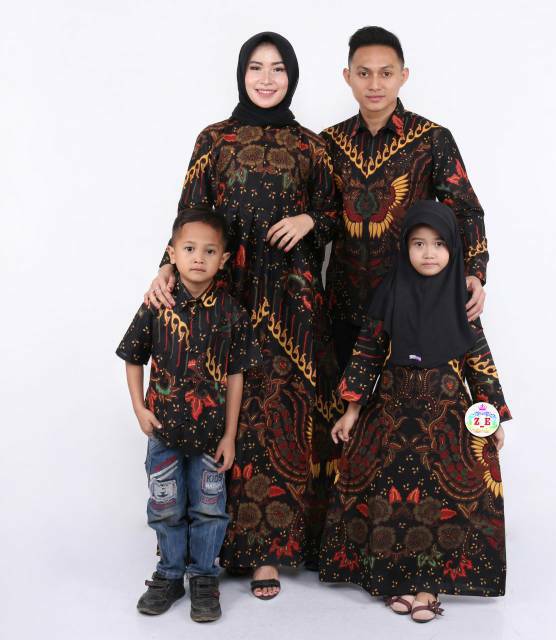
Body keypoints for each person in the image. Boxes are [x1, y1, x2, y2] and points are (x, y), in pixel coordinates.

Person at [143, 32, 338, 599]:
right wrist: (166, 268)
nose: (266, 79)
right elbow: (190, 214)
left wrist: (309, 221)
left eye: (278, 69)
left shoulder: (311, 146)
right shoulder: (214, 139)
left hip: (290, 307)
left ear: (292, 77)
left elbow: (334, 212)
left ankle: (268, 554)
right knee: (217, 414)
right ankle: (205, 550)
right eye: (256, 67)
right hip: (220, 299)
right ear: (241, 74)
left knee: (278, 419)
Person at [319, 200, 512, 623]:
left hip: (446, 418)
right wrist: (352, 410)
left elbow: (478, 362)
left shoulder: (461, 301)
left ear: (453, 249)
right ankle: (396, 578)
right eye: (419, 243)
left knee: (441, 496)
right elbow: (367, 353)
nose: (429, 253)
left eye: (439, 244)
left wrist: (492, 416)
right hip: (392, 413)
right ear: (405, 247)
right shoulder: (390, 292)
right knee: (391, 495)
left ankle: (429, 583)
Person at [116, 208, 261, 622]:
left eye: (209, 251)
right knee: (165, 506)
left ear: (224, 259)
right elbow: (133, 357)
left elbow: (236, 375)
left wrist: (230, 434)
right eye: (190, 249)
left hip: (211, 437)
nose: (199, 258)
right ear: (172, 253)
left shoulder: (231, 313)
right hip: (163, 432)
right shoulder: (156, 304)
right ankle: (168, 575)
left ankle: (203, 578)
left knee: (210, 508)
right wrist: (139, 408)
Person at [321, 26, 489, 371]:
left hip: (412, 301)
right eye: (364, 73)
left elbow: (466, 210)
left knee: (405, 401)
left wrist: (475, 272)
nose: (375, 84)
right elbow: (321, 215)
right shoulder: (329, 143)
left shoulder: (431, 139)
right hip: (344, 304)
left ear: (403, 76)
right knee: (343, 401)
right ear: (347, 77)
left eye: (386, 73)